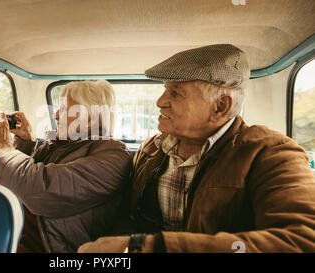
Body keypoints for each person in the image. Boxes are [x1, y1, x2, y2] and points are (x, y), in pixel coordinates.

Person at [78, 44, 315, 253]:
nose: (160, 101)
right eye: (164, 89)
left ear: (221, 106)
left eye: (176, 92)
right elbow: (128, 216)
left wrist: (150, 247)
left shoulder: (271, 154)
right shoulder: (152, 148)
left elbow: (303, 240)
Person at [0, 79, 132, 253]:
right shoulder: (58, 143)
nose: (55, 115)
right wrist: (26, 143)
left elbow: (40, 191)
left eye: (63, 109)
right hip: (12, 232)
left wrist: (4, 147)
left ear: (90, 119)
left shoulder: (114, 155)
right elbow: (15, 184)